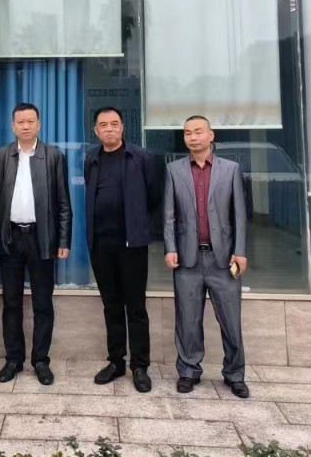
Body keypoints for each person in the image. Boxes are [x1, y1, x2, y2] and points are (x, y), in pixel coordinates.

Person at [164, 115, 249, 398]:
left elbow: (239, 215)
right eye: (187, 132)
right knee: (187, 321)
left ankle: (234, 374)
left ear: (211, 135)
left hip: (223, 259)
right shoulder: (174, 170)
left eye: (198, 131)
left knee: (231, 321)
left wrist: (240, 251)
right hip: (187, 258)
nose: (193, 137)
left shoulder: (230, 169)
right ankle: (189, 371)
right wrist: (170, 247)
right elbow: (169, 215)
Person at [0, 102, 72, 385]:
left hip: (41, 238)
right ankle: (13, 359)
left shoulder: (53, 156)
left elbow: (63, 202)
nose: (25, 126)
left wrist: (63, 239)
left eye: (30, 121)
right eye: (20, 122)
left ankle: (41, 360)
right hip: (10, 237)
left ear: (39, 124)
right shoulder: (1, 157)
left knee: (42, 303)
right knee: (10, 302)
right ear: (13, 126)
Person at [83, 106, 155, 393]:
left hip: (132, 245)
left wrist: (139, 228)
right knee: (111, 306)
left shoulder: (140, 157)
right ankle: (116, 361)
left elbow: (154, 198)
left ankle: (140, 366)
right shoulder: (92, 159)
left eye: (114, 124)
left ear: (123, 127)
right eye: (103, 125)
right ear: (96, 130)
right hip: (101, 244)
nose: (109, 129)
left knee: (135, 307)